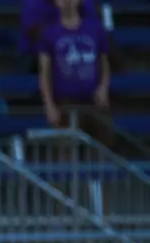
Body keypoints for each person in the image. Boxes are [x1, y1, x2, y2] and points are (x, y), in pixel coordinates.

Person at [38, 0, 113, 148]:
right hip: (64, 102)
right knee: (65, 149)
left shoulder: (95, 29)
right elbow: (44, 72)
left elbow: (104, 64)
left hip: (93, 101)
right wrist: (49, 104)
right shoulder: (49, 33)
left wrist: (103, 88)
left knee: (101, 148)